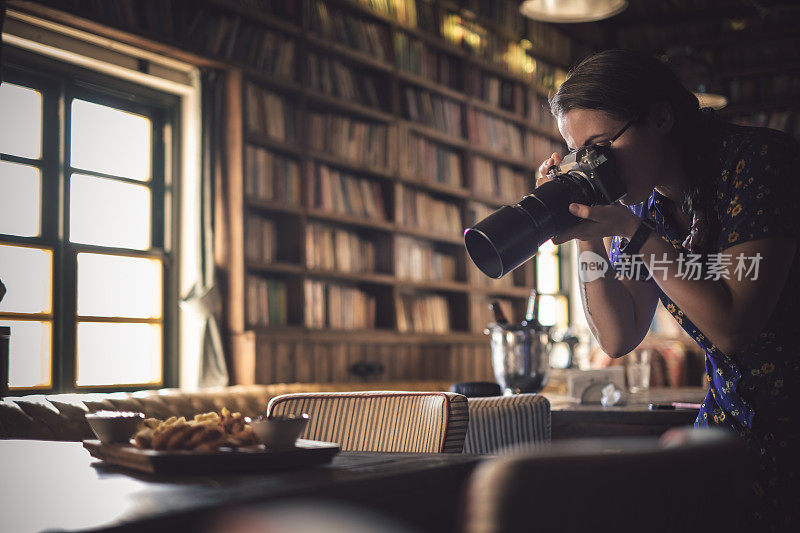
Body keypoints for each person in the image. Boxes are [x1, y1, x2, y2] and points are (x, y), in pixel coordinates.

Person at [537, 49, 799, 530]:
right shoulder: (646, 209)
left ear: (660, 117)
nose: (597, 167)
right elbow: (619, 335)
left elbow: (733, 324)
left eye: (601, 147)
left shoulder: (758, 163)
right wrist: (588, 233)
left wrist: (634, 235)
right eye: (582, 156)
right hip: (732, 430)